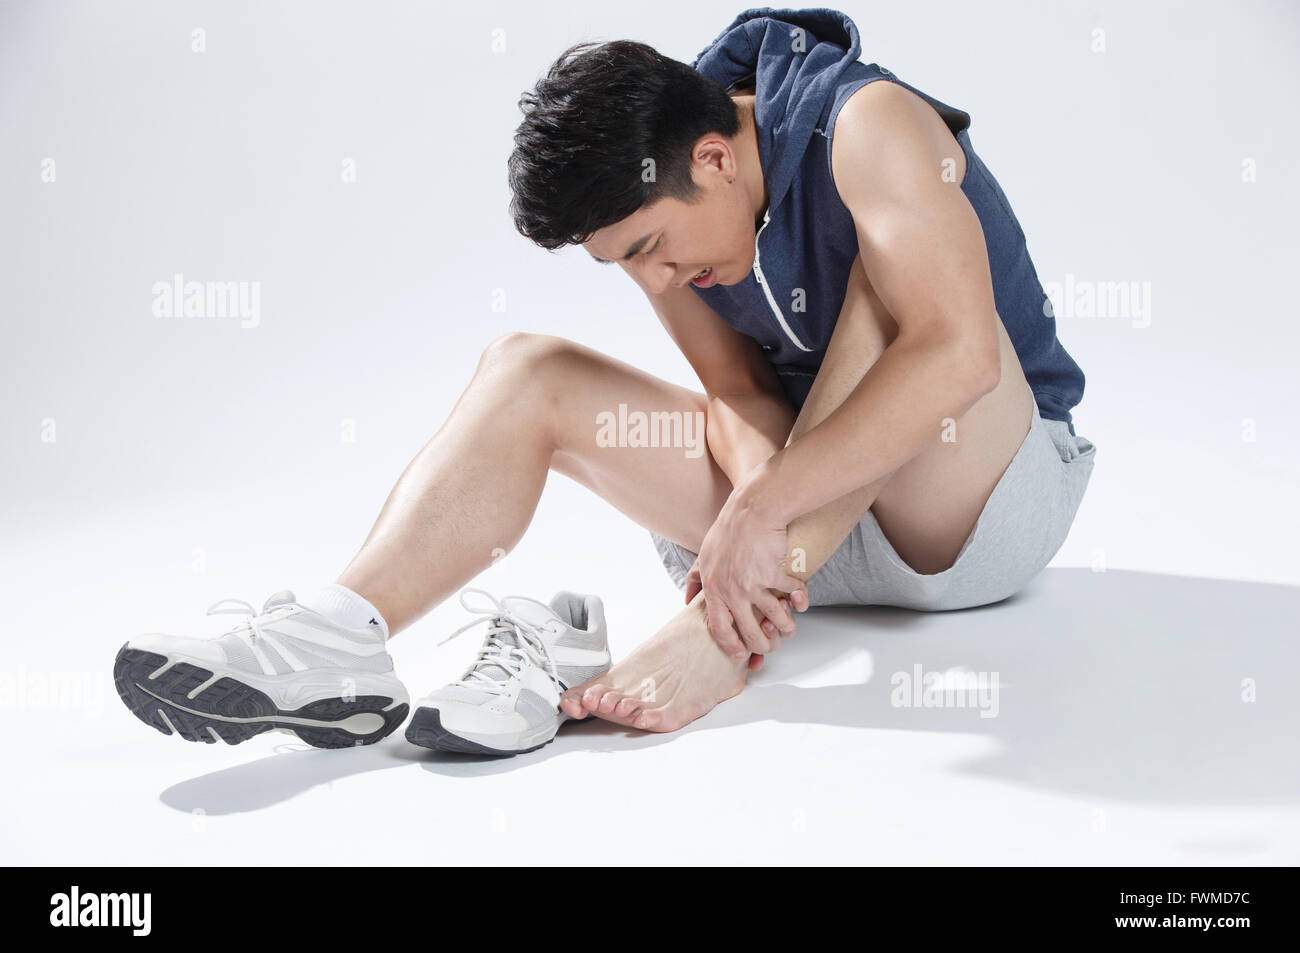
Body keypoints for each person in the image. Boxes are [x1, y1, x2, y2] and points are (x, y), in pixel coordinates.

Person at [116, 8, 1096, 747]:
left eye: (652, 247)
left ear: (714, 157)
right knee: (527, 369)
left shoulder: (869, 120)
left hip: (977, 499)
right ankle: (338, 637)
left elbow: (959, 352)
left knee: (886, 296)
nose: (656, 279)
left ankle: (721, 637)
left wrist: (763, 515)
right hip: (810, 532)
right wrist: (756, 515)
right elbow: (742, 396)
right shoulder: (666, 214)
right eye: (625, 262)